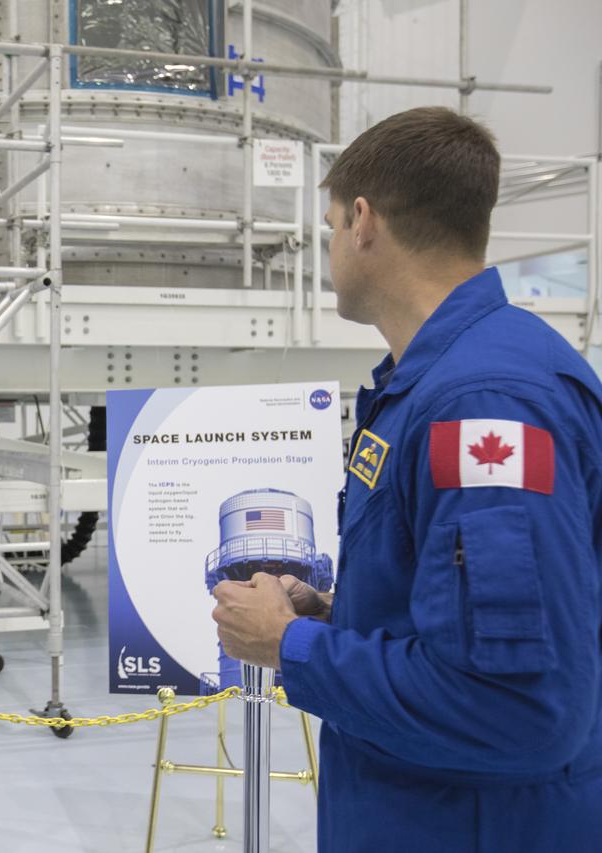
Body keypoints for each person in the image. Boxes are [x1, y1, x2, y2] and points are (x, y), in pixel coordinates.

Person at [211, 106, 602, 852]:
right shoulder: (440, 382)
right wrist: (335, 612)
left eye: (329, 226)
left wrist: (289, 646)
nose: (330, 247)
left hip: (468, 823)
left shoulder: (483, 406)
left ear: (363, 221)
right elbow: (459, 614)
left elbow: (516, 708)